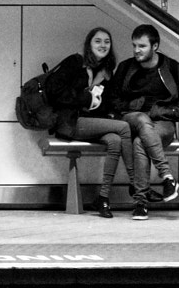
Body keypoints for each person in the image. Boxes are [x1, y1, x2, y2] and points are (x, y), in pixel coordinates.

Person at [104, 24, 179, 220]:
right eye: (134, 46)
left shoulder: (173, 67)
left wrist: (162, 111)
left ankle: (140, 203)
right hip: (132, 118)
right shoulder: (126, 68)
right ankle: (167, 176)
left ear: (155, 46)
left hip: (162, 122)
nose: (137, 50)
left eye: (142, 46)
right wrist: (133, 105)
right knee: (141, 118)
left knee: (140, 143)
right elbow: (111, 99)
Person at [57, 26, 133, 218]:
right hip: (73, 122)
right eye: (98, 41)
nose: (103, 45)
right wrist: (85, 98)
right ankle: (137, 183)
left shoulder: (106, 71)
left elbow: (108, 103)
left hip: (94, 123)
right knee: (124, 128)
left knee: (115, 140)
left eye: (107, 42)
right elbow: (57, 92)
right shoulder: (75, 62)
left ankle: (103, 197)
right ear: (89, 44)